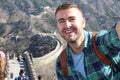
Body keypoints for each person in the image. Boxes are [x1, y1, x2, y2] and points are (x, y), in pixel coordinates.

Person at [55, 2, 120, 80]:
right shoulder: (61, 63)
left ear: (83, 23)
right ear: (57, 26)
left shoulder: (99, 43)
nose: (67, 25)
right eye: (61, 21)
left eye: (72, 19)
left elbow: (115, 34)